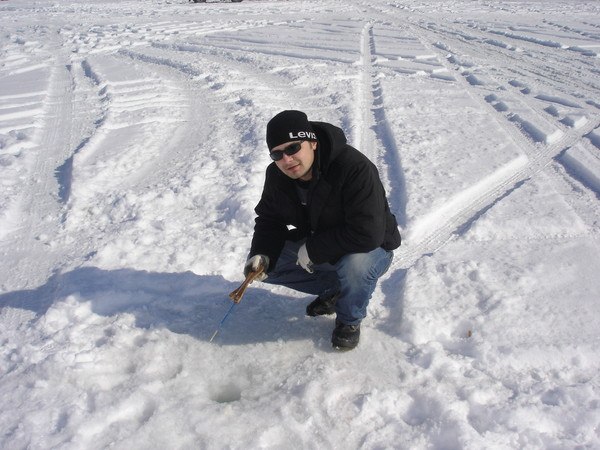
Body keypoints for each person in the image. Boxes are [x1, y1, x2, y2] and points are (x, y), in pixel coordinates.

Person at [244, 110, 401, 350]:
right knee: (269, 266)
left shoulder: (354, 167)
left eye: (293, 148)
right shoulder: (276, 175)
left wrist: (314, 249)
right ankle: (336, 289)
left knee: (355, 267)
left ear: (312, 143)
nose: (286, 160)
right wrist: (262, 252)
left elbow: (368, 232)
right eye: (277, 154)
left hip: (372, 247)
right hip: (322, 240)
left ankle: (349, 319)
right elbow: (269, 218)